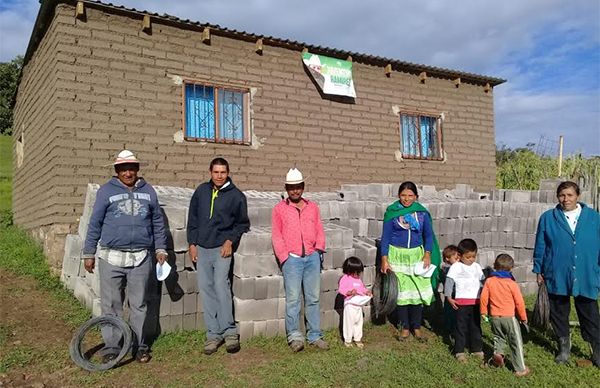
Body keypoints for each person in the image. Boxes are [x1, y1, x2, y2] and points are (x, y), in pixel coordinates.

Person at [82, 150, 168, 364]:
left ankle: (140, 345)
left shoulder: (148, 192)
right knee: (112, 305)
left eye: (131, 168)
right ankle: (113, 346)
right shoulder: (106, 191)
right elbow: (95, 223)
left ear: (137, 170)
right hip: (111, 257)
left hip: (140, 257)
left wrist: (161, 249)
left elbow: (157, 222)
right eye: (123, 169)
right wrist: (89, 252)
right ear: (117, 171)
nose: (128, 172)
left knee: (139, 304)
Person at [533, 181, 600, 367]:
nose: (566, 199)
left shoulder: (594, 218)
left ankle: (597, 350)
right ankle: (563, 346)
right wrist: (539, 269)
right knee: (559, 311)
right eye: (562, 195)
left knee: (590, 312)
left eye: (570, 195)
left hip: (586, 272)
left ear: (577, 196)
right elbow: (541, 245)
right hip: (557, 271)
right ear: (557, 197)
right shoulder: (548, 218)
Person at [187, 157, 250, 355]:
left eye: (223, 172)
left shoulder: (237, 196)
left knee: (222, 287)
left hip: (222, 249)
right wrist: (192, 243)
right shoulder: (201, 192)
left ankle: (230, 332)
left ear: (228, 172)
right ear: (210, 172)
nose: (219, 176)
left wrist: (230, 241)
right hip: (202, 248)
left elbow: (242, 224)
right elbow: (193, 219)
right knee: (207, 290)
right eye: (216, 172)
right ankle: (213, 334)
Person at [271, 167, 329, 352]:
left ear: (303, 187)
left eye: (298, 187)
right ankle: (295, 336)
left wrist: (319, 249)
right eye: (291, 187)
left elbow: (319, 228)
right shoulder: (280, 209)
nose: (295, 190)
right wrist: (284, 257)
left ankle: (314, 335)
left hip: (312, 257)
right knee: (293, 299)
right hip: (292, 260)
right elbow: (276, 235)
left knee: (312, 298)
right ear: (286, 189)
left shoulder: (312, 207)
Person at [380, 181, 440, 341]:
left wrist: (427, 254)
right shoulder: (391, 212)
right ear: (398, 196)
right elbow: (385, 237)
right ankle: (405, 327)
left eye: (410, 196)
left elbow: (428, 235)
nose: (406, 199)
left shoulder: (422, 213)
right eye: (403, 195)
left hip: (416, 256)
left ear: (416, 196)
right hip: (397, 256)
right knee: (402, 294)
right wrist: (384, 259)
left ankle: (417, 326)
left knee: (417, 292)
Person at [480, 254, 530, 377]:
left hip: (494, 317)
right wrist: (523, 318)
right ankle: (520, 369)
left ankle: (498, 354)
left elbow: (483, 297)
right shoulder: (511, 283)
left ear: (495, 266)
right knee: (515, 342)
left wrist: (483, 312)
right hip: (509, 317)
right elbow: (519, 302)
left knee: (498, 337)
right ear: (511, 268)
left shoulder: (489, 281)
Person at [444, 238, 484, 362]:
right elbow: (449, 282)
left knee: (475, 326)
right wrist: (449, 297)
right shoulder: (456, 267)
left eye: (474, 256)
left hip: (476, 302)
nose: (471, 259)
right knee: (460, 328)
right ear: (460, 256)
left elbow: (483, 282)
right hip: (461, 303)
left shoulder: (477, 267)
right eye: (468, 257)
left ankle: (476, 349)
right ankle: (459, 351)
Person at [338, 257, 372, 348]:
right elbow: (341, 290)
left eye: (359, 272)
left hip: (358, 305)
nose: (358, 274)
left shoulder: (359, 280)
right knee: (349, 323)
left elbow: (362, 288)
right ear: (349, 270)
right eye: (356, 272)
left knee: (358, 322)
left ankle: (357, 338)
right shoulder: (345, 278)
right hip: (350, 304)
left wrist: (366, 292)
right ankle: (348, 340)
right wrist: (349, 292)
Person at [440, 245, 459, 338]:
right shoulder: (447, 269)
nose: (458, 260)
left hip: (456, 294)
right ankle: (449, 330)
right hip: (450, 294)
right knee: (450, 313)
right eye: (455, 258)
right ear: (447, 258)